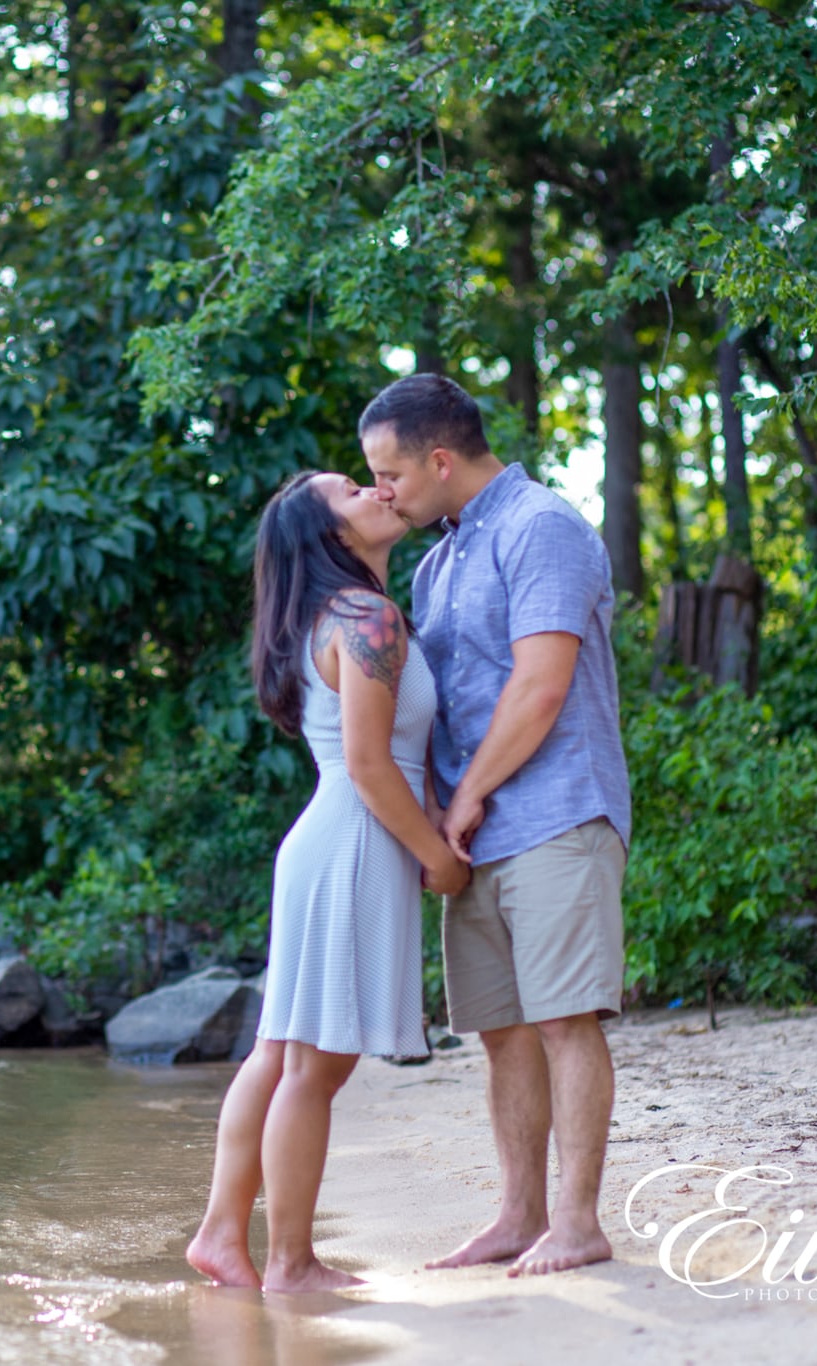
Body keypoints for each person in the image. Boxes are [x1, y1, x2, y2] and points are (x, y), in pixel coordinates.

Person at [358, 373, 632, 1278]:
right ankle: (517, 1216)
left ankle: (579, 1221)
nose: (383, 492)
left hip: (555, 812)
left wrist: (466, 794)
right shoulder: (438, 561)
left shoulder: (540, 526)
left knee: (563, 1019)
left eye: (389, 474)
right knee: (503, 1031)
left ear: (440, 460)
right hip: (473, 841)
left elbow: (541, 684)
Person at [186, 469, 470, 1294]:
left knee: (281, 1054)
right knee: (315, 1066)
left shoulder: (335, 616)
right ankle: (290, 1262)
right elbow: (371, 765)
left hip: (333, 837)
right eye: (353, 491)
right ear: (329, 536)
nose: (378, 492)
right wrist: (438, 857)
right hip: (354, 839)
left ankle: (221, 1236)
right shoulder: (367, 616)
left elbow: (381, 762)